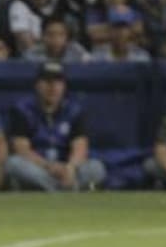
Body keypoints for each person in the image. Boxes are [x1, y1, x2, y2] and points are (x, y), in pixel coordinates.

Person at [6, 62, 107, 191]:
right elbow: (22, 150)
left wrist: (70, 168)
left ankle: (64, 186)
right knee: (13, 163)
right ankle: (61, 189)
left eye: (57, 82)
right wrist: (49, 166)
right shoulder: (23, 110)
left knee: (96, 167)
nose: (52, 87)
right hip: (40, 167)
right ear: (37, 84)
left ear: (64, 86)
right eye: (47, 81)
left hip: (67, 167)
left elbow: (80, 147)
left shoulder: (74, 110)